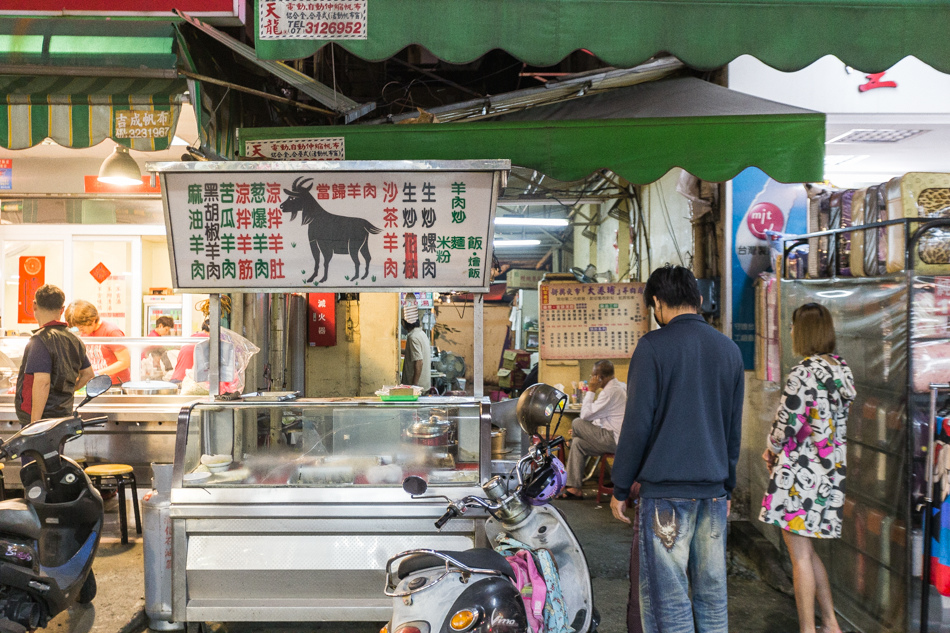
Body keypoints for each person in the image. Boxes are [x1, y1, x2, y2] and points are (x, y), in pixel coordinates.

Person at [610, 264, 744, 633]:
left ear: (657, 303)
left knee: (669, 600)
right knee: (712, 596)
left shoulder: (653, 347)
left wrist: (620, 487)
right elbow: (733, 430)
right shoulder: (729, 351)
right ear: (698, 300)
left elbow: (638, 424)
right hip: (714, 494)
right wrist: (728, 485)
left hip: (667, 497)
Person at [760, 303, 855, 633]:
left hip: (801, 473)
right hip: (830, 473)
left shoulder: (803, 373)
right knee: (807, 549)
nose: (789, 331)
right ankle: (830, 623)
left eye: (792, 326)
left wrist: (770, 449)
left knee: (798, 554)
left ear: (803, 332)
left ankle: (807, 629)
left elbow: (787, 422)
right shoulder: (841, 370)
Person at [15, 285, 94, 424]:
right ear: (62, 310)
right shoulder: (74, 339)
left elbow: (42, 383)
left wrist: (34, 425)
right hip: (62, 416)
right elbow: (88, 374)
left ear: (34, 305)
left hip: (43, 420)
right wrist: (67, 390)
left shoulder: (40, 340)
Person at [559, 360, 627, 500]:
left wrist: (590, 391)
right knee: (578, 443)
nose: (591, 379)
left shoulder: (610, 392)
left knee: (577, 423)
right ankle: (574, 488)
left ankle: (571, 441)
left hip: (614, 439)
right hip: (615, 436)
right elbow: (599, 416)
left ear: (599, 377)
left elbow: (585, 416)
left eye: (593, 376)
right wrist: (585, 432)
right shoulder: (620, 386)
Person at [65, 300, 131, 386]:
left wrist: (96, 373)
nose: (81, 331)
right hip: (97, 383)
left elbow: (125, 362)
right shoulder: (86, 332)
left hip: (115, 384)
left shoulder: (111, 331)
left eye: (81, 327)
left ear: (92, 321)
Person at [401, 302, 431, 391]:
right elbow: (413, 353)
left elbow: (419, 361)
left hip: (416, 388)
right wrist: (398, 350)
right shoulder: (421, 333)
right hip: (424, 385)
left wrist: (414, 385)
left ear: (404, 323)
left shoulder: (413, 337)